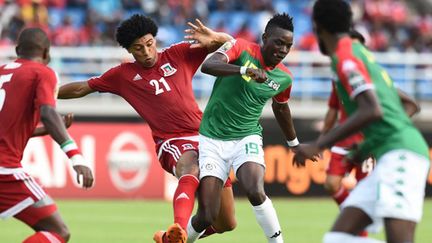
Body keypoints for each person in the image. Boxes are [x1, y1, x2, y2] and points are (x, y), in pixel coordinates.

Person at [57, 14, 237, 243]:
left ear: (155, 40)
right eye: (138, 48)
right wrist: (45, 92)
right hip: (172, 141)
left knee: (226, 223)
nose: (146, 52)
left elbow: (232, 47)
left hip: (207, 138)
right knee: (190, 166)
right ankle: (178, 228)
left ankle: (167, 239)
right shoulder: (122, 75)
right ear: (130, 51)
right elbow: (82, 88)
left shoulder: (178, 54)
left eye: (149, 44)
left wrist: (217, 37)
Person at [294, 1, 430, 242]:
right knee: (336, 239)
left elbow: (372, 110)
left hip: (401, 155)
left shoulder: (345, 56)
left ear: (317, 27)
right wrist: (364, 147)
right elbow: (400, 107)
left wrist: (320, 144)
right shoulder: (359, 53)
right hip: (390, 153)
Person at [185, 13, 318, 243]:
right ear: (265, 37)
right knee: (207, 216)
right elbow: (209, 65)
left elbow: (281, 108)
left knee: (255, 189)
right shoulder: (240, 48)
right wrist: (243, 70)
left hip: (247, 137)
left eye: (288, 45)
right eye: (278, 42)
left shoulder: (284, 78)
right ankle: (179, 239)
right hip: (212, 139)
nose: (283, 50)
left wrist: (294, 144)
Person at [0, 28, 94, 243]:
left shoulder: (2, 71)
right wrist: (76, 156)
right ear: (46, 53)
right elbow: (48, 112)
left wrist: (45, 129)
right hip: (4, 170)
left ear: (17, 50)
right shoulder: (42, 72)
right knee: (58, 232)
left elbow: (9, 126)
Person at [322, 30, 420, 229]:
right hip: (343, 139)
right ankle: (354, 219)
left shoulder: (373, 77)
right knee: (331, 183)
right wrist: (323, 137)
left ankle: (359, 225)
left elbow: (411, 105)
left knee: (363, 188)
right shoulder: (340, 76)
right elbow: (332, 109)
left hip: (367, 139)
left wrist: (389, 128)